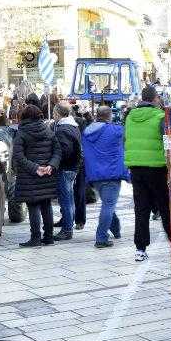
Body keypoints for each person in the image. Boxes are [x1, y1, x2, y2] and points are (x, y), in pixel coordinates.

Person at [124, 85, 171, 261]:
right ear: (155, 99)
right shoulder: (161, 116)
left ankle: (140, 248)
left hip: (136, 167)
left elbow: (126, 139)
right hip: (157, 167)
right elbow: (168, 144)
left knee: (141, 208)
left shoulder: (129, 116)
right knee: (165, 207)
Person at [14, 105, 62, 247]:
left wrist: (35, 168)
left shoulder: (22, 132)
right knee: (46, 205)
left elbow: (18, 156)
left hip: (30, 176)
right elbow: (57, 151)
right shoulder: (48, 130)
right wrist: (51, 166)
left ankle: (35, 238)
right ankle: (49, 237)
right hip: (47, 174)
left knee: (33, 206)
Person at [81, 106, 126, 247]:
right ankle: (101, 238)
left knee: (108, 203)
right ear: (110, 116)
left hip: (95, 176)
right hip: (111, 174)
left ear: (97, 115)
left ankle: (116, 229)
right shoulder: (116, 130)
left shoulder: (87, 132)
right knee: (108, 205)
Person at [52, 103, 81, 241]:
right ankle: (66, 221)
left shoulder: (63, 129)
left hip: (66, 168)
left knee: (66, 200)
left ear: (58, 113)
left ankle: (67, 229)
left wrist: (55, 162)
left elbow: (65, 151)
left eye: (54, 112)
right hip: (72, 167)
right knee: (68, 198)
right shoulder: (72, 125)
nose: (52, 115)